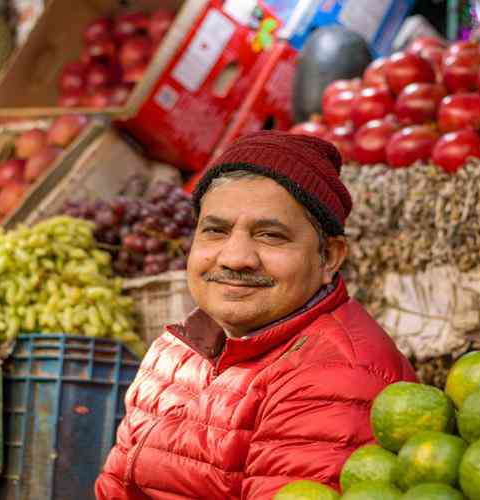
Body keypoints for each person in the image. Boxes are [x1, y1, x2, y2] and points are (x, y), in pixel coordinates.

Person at [95, 131, 417, 499]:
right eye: (215, 231)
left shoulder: (335, 378)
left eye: (270, 236)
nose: (235, 258)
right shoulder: (176, 350)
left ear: (328, 257)